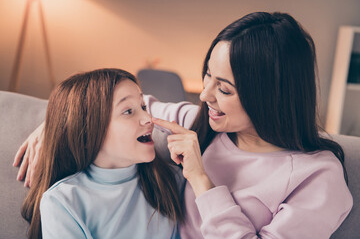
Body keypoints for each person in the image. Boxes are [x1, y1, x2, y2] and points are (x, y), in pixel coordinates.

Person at [15, 12, 353, 239]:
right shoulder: (199, 124)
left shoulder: (317, 177)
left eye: (224, 89)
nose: (205, 96)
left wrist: (202, 182)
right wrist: (54, 123)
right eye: (207, 75)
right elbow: (110, 106)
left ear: (271, 97)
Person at [20, 68, 184, 239]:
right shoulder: (63, 201)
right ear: (90, 128)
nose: (148, 118)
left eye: (143, 106)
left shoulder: (175, 180)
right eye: (128, 111)